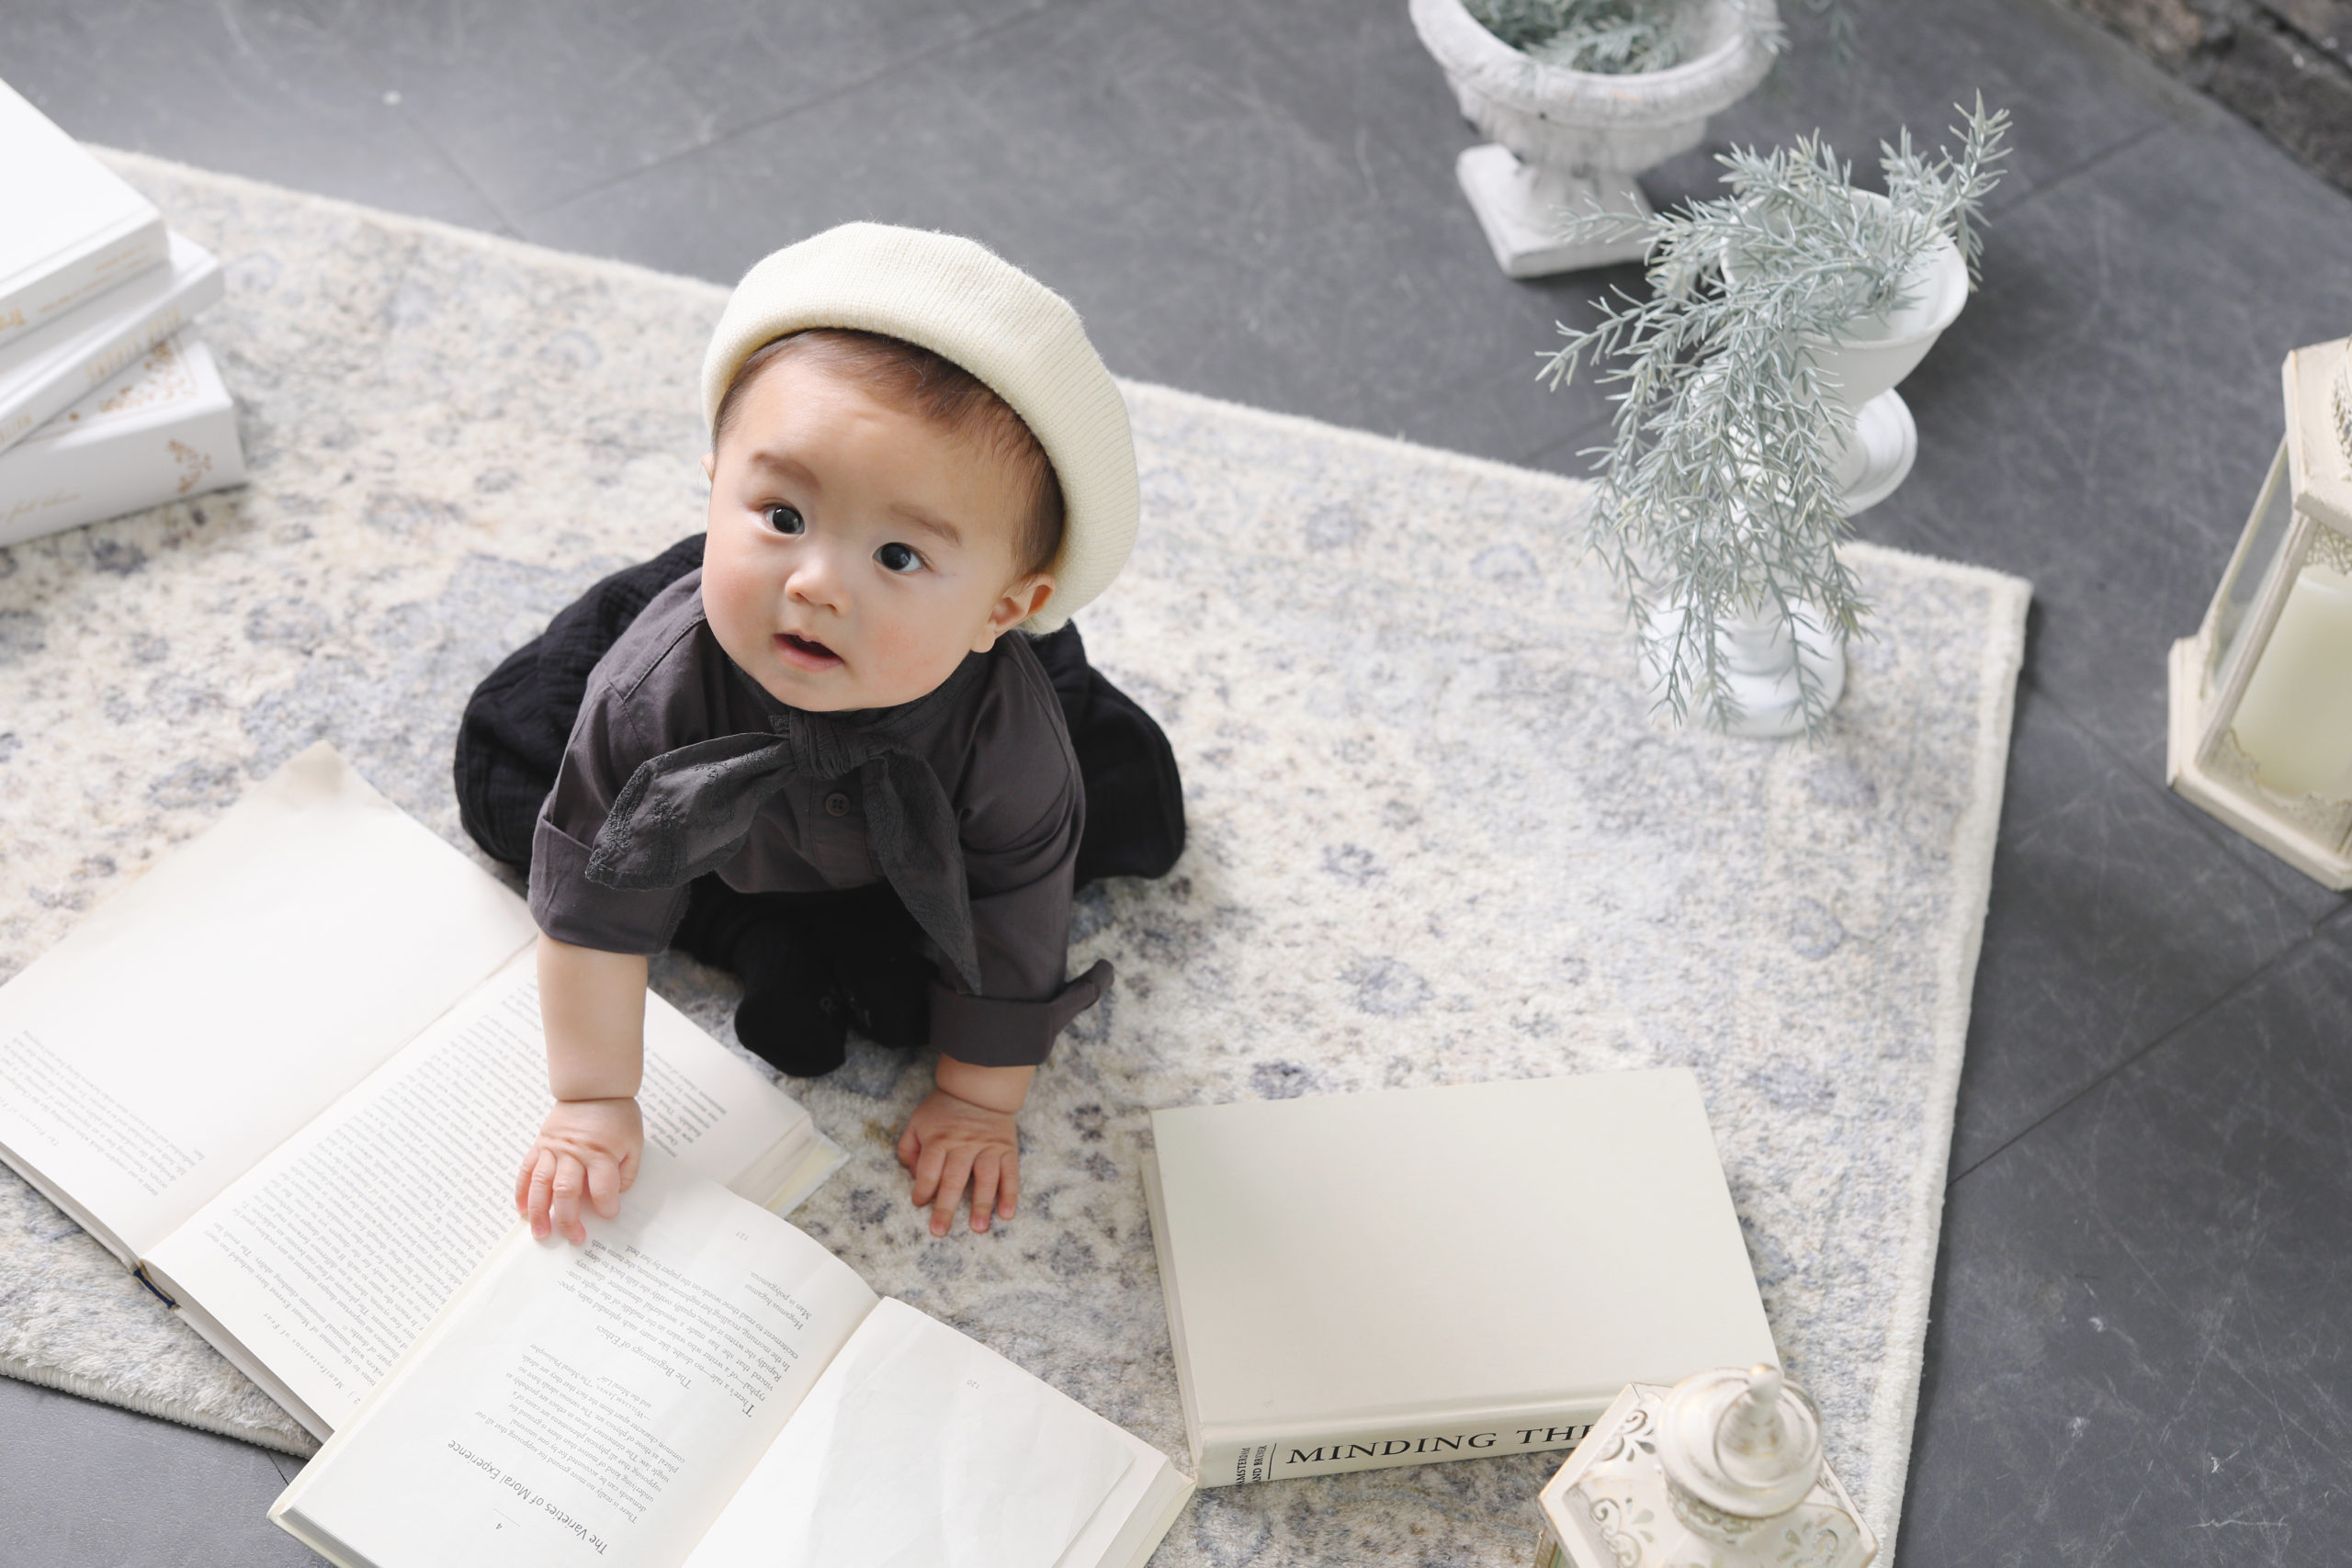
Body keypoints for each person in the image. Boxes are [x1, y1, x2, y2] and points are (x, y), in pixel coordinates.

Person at [452, 223, 1180, 1247]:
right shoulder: (648, 694)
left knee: (1097, 828)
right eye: (782, 516)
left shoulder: (1003, 734)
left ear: (1004, 609)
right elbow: (593, 903)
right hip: (710, 749)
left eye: (898, 555)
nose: (815, 583)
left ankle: (797, 930)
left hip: (914, 772)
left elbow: (1017, 908)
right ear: (716, 480)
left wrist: (978, 1101)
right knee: (513, 786)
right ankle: (752, 928)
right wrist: (592, 1101)